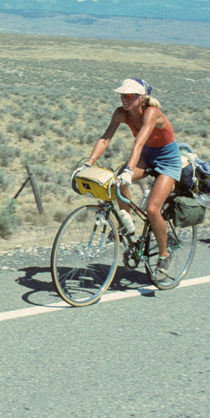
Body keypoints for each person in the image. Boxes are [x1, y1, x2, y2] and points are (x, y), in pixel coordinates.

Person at [83, 78, 181, 279]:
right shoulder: (121, 113)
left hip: (168, 160)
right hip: (147, 155)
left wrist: (129, 169)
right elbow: (105, 138)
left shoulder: (152, 113)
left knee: (153, 209)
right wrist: (89, 163)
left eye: (130, 96)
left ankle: (164, 255)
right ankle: (127, 224)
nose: (124, 99)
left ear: (142, 98)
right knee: (117, 181)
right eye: (122, 95)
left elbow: (138, 142)